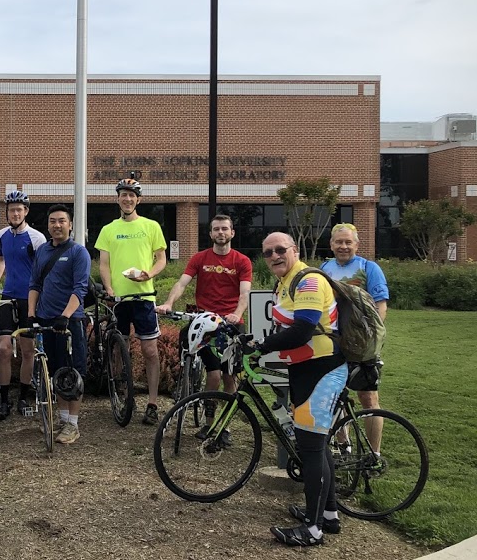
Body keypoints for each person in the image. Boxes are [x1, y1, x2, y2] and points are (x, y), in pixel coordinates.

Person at [251, 232, 348, 547]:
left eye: (281, 250)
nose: (275, 256)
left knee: (310, 448)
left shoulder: (307, 281)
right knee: (316, 446)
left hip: (322, 369)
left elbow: (303, 329)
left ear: (294, 250)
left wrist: (261, 345)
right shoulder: (286, 282)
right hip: (306, 370)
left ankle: (313, 529)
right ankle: (329, 515)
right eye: (268, 252)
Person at [157, 213, 252, 432]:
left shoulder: (242, 261)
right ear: (210, 234)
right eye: (216, 229)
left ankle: (224, 427)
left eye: (224, 229)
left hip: (230, 323)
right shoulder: (200, 258)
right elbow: (182, 283)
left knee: (229, 377)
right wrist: (169, 302)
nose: (221, 232)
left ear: (232, 233)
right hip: (204, 323)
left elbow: (245, 292)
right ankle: (208, 425)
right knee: (214, 374)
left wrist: (237, 313)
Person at [95, 178, 167, 426]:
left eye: (132, 195)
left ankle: (153, 403)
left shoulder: (151, 226)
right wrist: (109, 288)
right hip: (120, 299)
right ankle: (124, 396)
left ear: (139, 199)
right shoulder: (108, 229)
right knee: (119, 349)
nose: (127, 199)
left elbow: (161, 259)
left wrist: (151, 274)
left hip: (144, 297)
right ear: (117, 199)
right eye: (123, 195)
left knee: (150, 351)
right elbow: (103, 264)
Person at [321, 222, 389, 454]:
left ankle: (373, 454)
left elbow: (380, 306)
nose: (343, 246)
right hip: (333, 341)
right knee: (336, 394)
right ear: (331, 244)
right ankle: (344, 445)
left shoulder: (369, 268)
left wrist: (371, 339)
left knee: (368, 398)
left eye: (348, 242)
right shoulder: (324, 268)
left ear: (357, 244)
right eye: (338, 242)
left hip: (362, 345)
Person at [27, 204, 91, 444]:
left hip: (70, 320)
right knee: (55, 371)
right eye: (53, 221)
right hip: (45, 318)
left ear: (71, 224)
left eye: (62, 221)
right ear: (48, 225)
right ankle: (63, 419)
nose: (57, 225)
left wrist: (65, 316)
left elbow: (80, 288)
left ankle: (73, 424)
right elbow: (34, 284)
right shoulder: (42, 250)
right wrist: (31, 314)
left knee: (73, 373)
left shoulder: (78, 252)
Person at [0, 190, 47, 420]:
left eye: (18, 209)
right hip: (7, 296)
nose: (14, 213)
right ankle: (4, 401)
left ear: (26, 212)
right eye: (11, 209)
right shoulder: (1, 235)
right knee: (3, 349)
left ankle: (23, 396)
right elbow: (1, 259)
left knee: (27, 351)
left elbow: (42, 270)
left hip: (29, 299)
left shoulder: (36, 238)